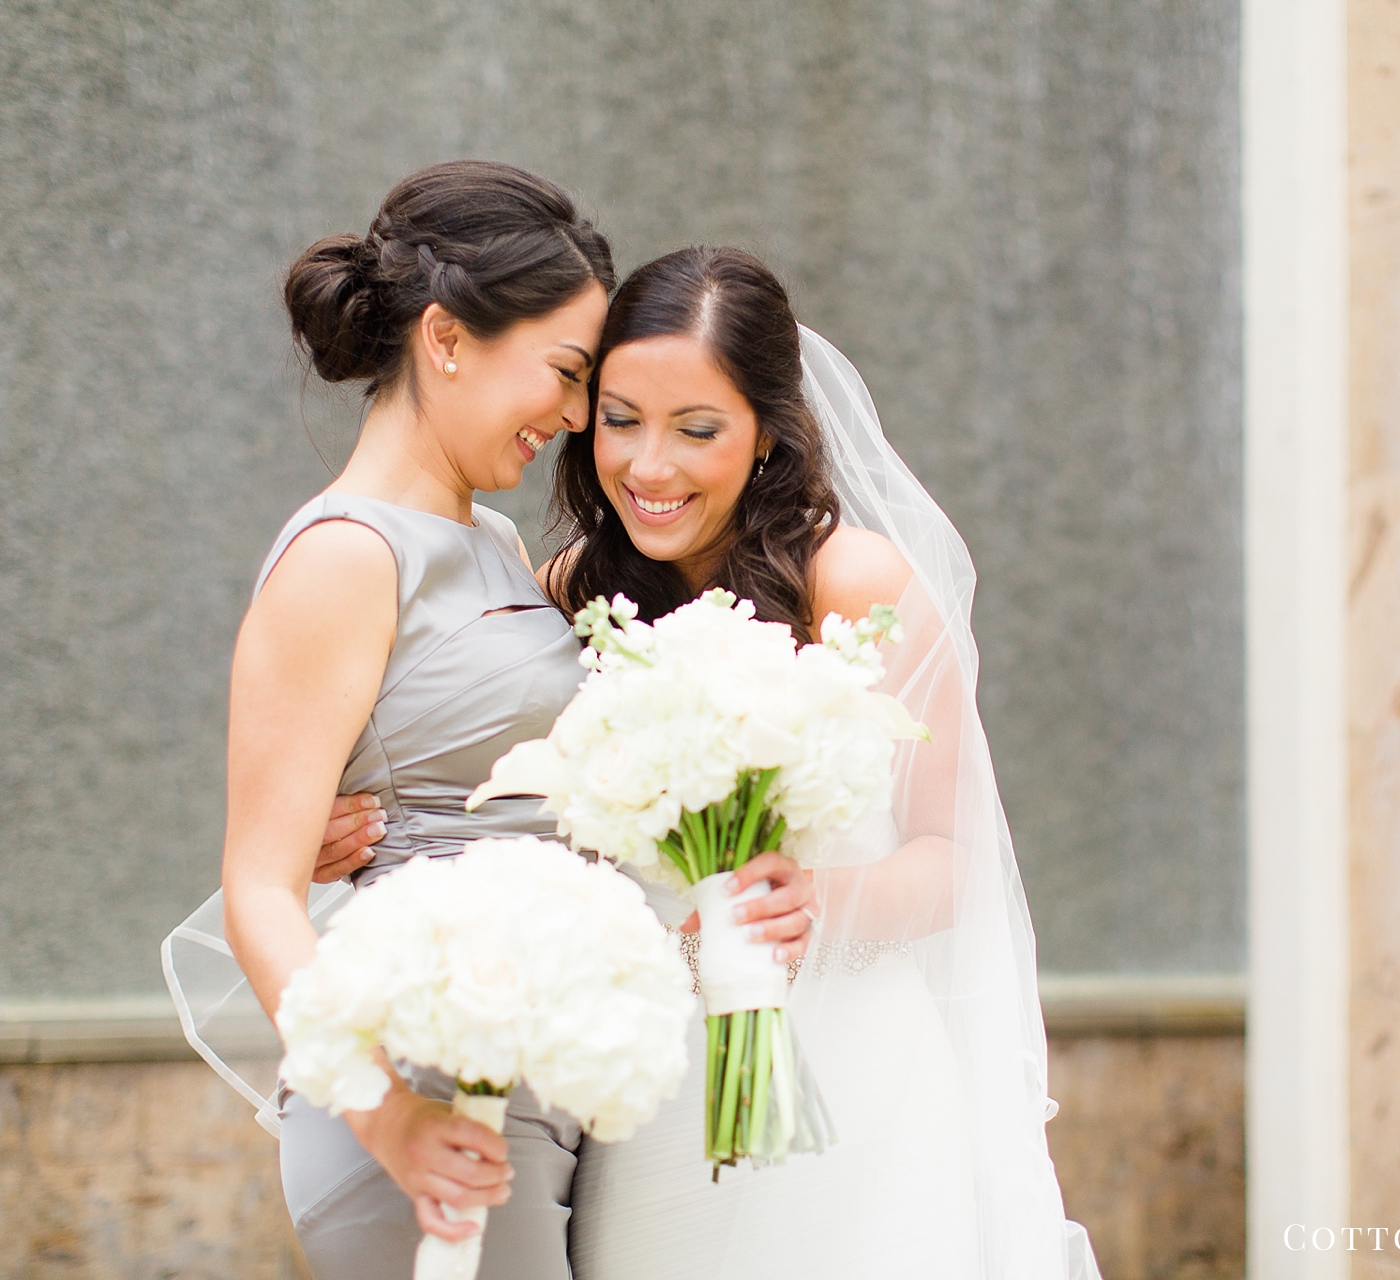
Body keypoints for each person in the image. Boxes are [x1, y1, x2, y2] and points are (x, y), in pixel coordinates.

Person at [322, 245, 1102, 1279]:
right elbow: (482, 772)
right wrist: (360, 825)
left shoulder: (854, 583)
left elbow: (954, 857)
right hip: (643, 1092)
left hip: (852, 1082)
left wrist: (822, 894)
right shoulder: (563, 592)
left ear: (767, 431)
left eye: (698, 430)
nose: (650, 466)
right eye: (620, 419)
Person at [172, 166, 814, 1280]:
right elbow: (260, 890)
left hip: (543, 1073)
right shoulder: (344, 556)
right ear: (447, 340)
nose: (575, 417)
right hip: (424, 1085)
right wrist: (390, 1121)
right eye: (567, 375)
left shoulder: (500, 546)